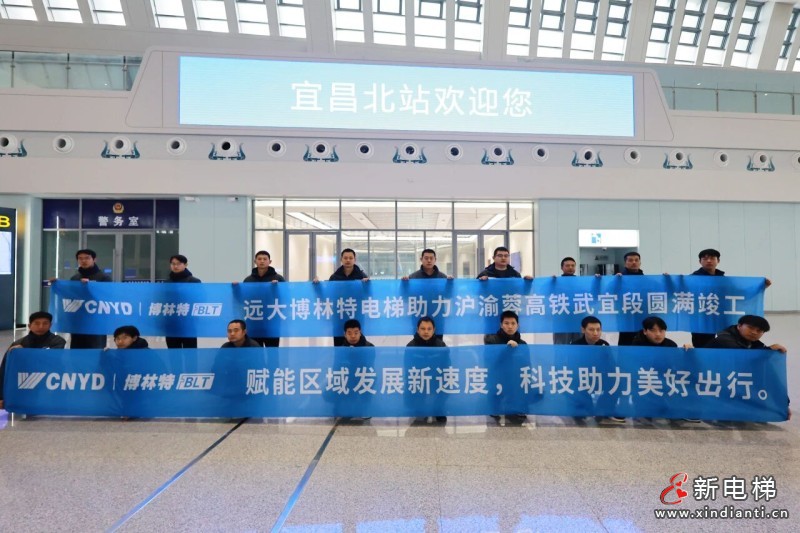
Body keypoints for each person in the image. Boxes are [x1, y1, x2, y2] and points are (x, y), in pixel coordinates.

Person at [0, 311, 67, 410]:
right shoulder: (18, 344)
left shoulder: (58, 341)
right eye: (37, 323)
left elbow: (51, 360)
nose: (41, 327)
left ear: (50, 325)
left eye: (45, 323)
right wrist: (1, 397)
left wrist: (24, 353)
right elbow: (5, 370)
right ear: (29, 326)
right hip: (26, 380)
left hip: (51, 380)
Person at [314, 248, 369, 346]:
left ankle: (358, 356)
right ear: (341, 259)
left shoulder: (362, 276)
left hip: (356, 312)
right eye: (345, 258)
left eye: (350, 258)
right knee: (339, 342)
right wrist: (318, 285)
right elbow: (327, 294)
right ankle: (339, 357)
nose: (348, 260)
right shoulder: (335, 277)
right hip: (339, 313)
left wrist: (367, 284)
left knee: (357, 341)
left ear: (354, 260)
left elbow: (368, 294)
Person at [485, 311, 527, 424]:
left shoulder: (523, 344)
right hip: (497, 378)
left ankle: (517, 405)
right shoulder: (491, 340)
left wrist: (518, 352)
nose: (510, 326)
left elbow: (526, 365)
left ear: (517, 325)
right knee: (494, 419)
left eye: (513, 323)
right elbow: (490, 362)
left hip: (515, 379)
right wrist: (508, 350)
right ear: (501, 325)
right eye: (506, 323)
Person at [68, 249, 112, 349]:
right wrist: (57, 285)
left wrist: (91, 286)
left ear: (94, 259)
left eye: (87, 258)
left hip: (96, 321)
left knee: (95, 349)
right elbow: (69, 297)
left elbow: (107, 297)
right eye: (80, 258)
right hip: (79, 320)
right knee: (77, 350)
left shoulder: (104, 278)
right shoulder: (75, 278)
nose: (83, 261)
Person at [406, 317, 447, 423]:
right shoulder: (410, 346)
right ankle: (419, 407)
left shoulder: (441, 345)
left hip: (436, 378)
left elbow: (447, 367)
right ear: (417, 330)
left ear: (434, 330)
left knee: (447, 381)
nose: (426, 332)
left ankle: (438, 409)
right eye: (423, 328)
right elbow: (407, 369)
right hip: (419, 379)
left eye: (429, 329)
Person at [242, 250, 285, 348]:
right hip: (254, 320)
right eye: (259, 259)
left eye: (265, 259)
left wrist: (276, 288)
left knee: (272, 350)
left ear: (270, 261)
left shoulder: (278, 279)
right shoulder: (248, 280)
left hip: (272, 320)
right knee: (256, 350)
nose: (262, 261)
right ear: (255, 261)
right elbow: (243, 298)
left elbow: (285, 297)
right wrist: (236, 289)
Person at [165, 254, 201, 349]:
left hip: (188, 323)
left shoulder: (194, 281)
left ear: (185, 265)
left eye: (178, 264)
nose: (175, 266)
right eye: (173, 264)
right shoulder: (166, 283)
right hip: (171, 323)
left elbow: (201, 299)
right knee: (173, 353)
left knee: (190, 352)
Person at [705, 315, 786, 352]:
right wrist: (769, 349)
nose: (754, 332)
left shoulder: (751, 341)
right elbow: (743, 355)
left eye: (759, 331)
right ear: (739, 326)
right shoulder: (724, 337)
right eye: (750, 328)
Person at [553, 256, 583, 345]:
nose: (570, 268)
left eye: (573, 266)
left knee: (579, 345)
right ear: (562, 268)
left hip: (578, 316)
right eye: (567, 265)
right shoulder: (556, 282)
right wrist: (550, 282)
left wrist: (597, 280)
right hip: (562, 318)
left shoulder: (581, 282)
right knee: (561, 345)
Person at [616, 251, 643, 346]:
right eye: (630, 260)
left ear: (640, 262)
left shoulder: (645, 279)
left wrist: (666, 279)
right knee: (625, 342)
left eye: (636, 260)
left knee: (642, 340)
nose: (634, 262)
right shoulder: (618, 278)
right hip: (625, 314)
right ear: (625, 263)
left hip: (641, 313)